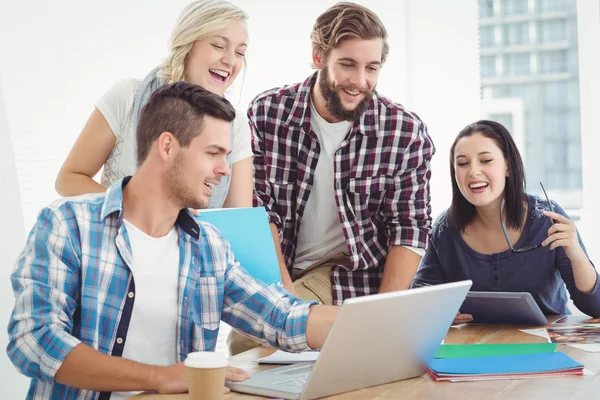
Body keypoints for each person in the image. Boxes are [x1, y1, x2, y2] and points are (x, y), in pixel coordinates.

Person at [7, 82, 338, 400]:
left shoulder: (209, 246)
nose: (225, 169)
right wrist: (159, 377)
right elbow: (34, 341)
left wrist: (367, 325)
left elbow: (280, 317)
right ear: (167, 147)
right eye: (213, 153)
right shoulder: (69, 225)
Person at [228, 2, 435, 355]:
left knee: (254, 342)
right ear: (318, 56)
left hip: (351, 271)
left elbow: (409, 228)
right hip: (283, 264)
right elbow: (261, 213)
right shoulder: (267, 114)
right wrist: (284, 299)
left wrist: (386, 318)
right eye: (348, 65)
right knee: (254, 337)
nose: (360, 82)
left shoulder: (404, 131)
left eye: (372, 68)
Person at [55, 0, 253, 209]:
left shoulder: (235, 125)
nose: (231, 61)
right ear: (188, 43)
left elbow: (238, 217)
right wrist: (133, 210)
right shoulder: (127, 97)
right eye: (218, 46)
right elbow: (68, 179)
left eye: (240, 53)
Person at [412, 120, 600, 323]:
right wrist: (439, 312)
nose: (473, 172)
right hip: (475, 348)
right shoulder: (444, 230)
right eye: (463, 163)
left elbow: (595, 307)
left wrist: (576, 254)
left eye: (485, 160)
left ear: (508, 167)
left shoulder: (547, 218)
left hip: (548, 347)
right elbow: (421, 299)